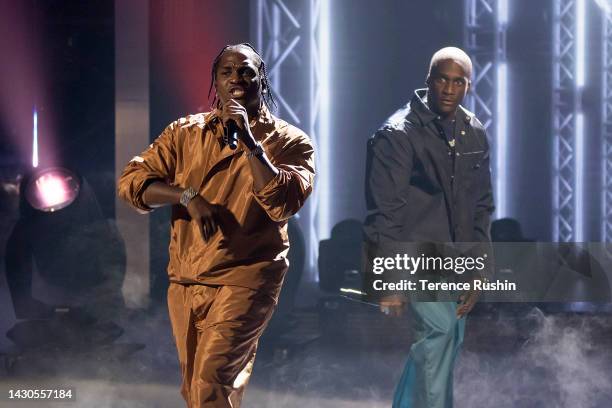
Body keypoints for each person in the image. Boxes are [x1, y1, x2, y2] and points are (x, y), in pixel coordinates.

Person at [117, 43, 315, 408]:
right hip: (188, 276)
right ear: (215, 81)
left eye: (246, 72)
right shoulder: (184, 133)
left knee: (212, 380)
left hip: (248, 276)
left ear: (262, 81)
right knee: (198, 389)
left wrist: (251, 143)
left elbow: (282, 202)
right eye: (226, 72)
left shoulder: (290, 142)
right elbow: (132, 183)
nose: (236, 79)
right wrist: (187, 196)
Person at [364, 47, 494, 407]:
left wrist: (478, 268)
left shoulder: (473, 131)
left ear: (468, 86)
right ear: (428, 80)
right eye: (441, 79)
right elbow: (384, 211)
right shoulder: (397, 133)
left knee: (446, 342)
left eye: (458, 82)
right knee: (438, 335)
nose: (448, 89)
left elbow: (481, 206)